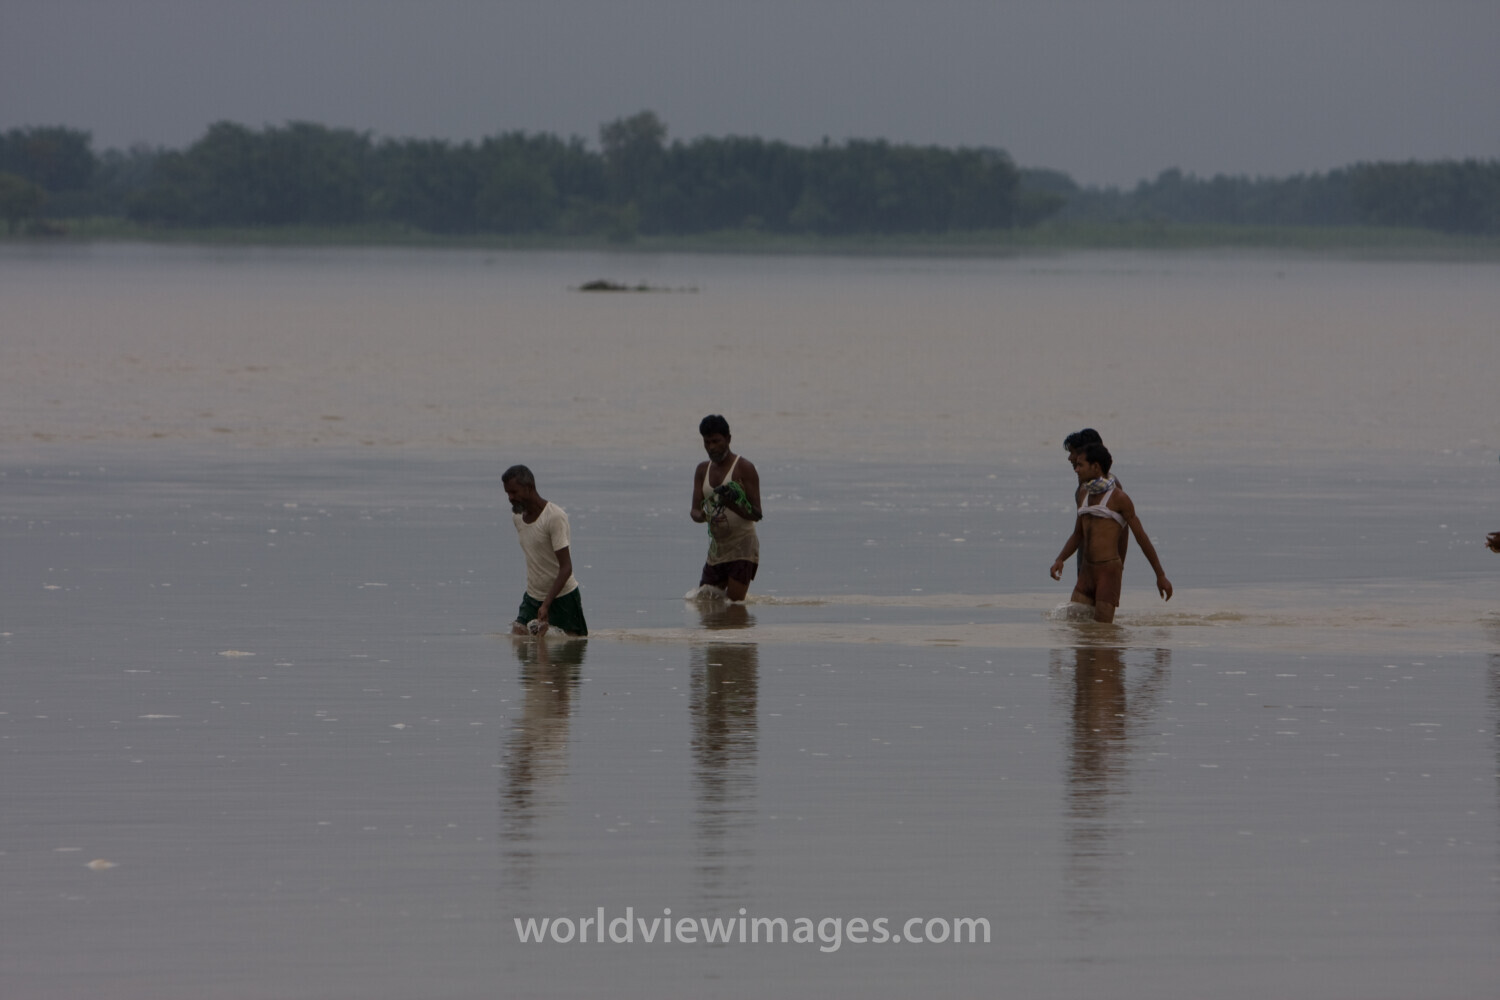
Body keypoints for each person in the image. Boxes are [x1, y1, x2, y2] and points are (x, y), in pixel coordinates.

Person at [1049, 443, 1172, 623]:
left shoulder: (1119, 498)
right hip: (1086, 572)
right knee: (1077, 630)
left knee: (1103, 635)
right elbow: (1077, 534)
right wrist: (1060, 559)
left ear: (1096, 467)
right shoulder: (1084, 494)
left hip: (1108, 573)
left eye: (1080, 465)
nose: (1076, 469)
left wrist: (1160, 576)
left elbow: (1141, 537)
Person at [503, 464, 587, 637]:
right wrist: (540, 602)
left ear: (529, 488)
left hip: (563, 597)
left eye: (514, 492)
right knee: (518, 639)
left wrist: (547, 604)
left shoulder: (554, 517)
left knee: (568, 653)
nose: (510, 498)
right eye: (507, 493)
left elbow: (566, 567)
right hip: (533, 596)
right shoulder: (517, 518)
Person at [690, 414, 762, 602]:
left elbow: (756, 514)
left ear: (728, 439)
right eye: (707, 442)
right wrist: (705, 517)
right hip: (717, 550)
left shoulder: (744, 468)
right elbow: (695, 511)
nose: (711, 447)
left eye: (716, 441)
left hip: (743, 547)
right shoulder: (701, 470)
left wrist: (732, 502)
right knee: (704, 602)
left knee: (734, 606)